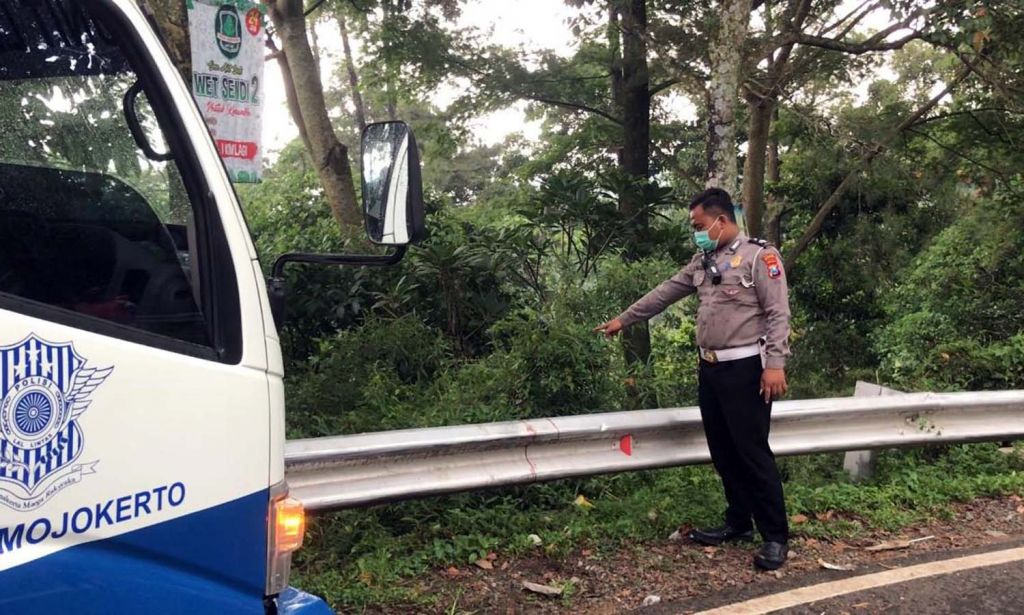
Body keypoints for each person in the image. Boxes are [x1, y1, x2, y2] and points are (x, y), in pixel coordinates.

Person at [594, 187, 792, 570]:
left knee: (752, 453)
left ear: (721, 220)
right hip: (711, 369)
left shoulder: (760, 257)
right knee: (723, 451)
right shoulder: (704, 260)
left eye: (700, 225)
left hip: (747, 369)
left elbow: (778, 313)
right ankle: (738, 523)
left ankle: (775, 537)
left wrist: (775, 364)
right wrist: (625, 318)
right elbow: (666, 291)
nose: (697, 232)